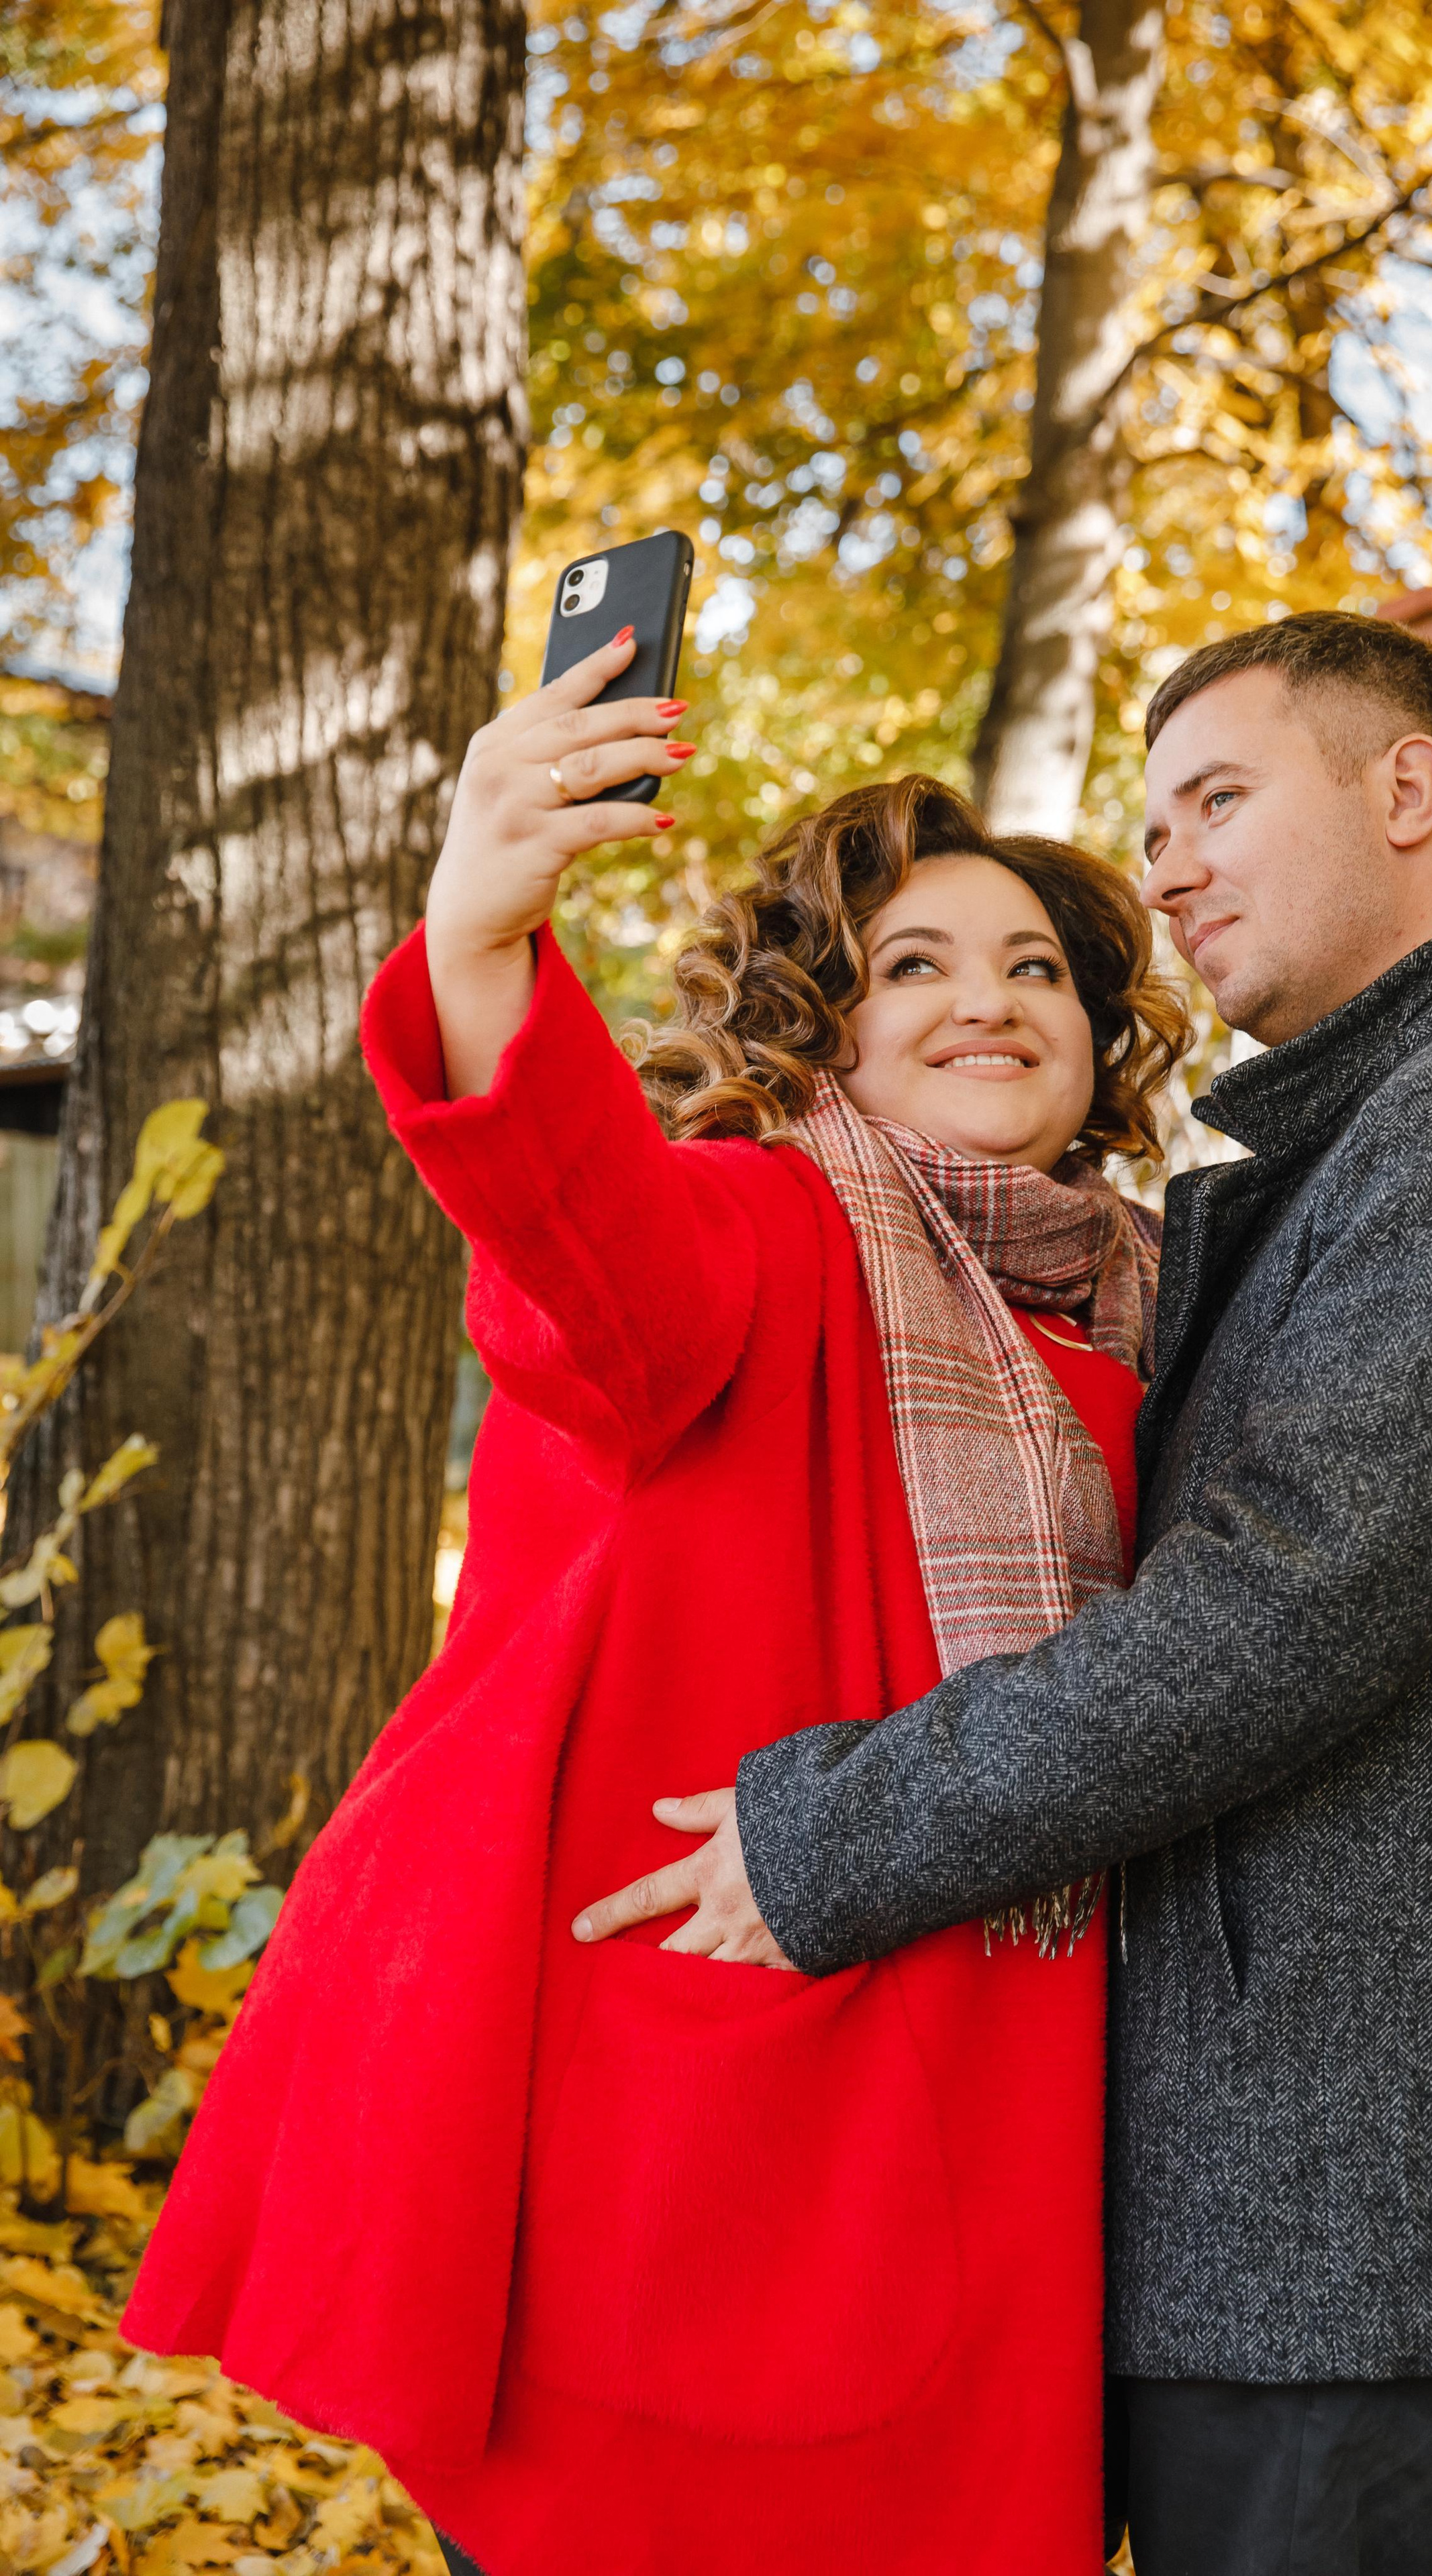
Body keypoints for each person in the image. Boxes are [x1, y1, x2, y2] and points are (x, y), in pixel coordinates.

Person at [575, 609, 1432, 2576]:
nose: (1167, 861)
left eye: (1218, 799)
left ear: (1409, 790)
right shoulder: (1397, 1114)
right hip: (1264, 2179)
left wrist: (833, 1832)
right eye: (1154, 816)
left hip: (1352, 2192)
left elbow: (1277, 1615)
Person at [121, 633, 1189, 2576]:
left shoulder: (1130, 1317)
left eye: (1039, 968)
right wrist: (480, 936)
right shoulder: (765, 1226)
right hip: (709, 2142)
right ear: (821, 1031)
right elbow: (578, 1235)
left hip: (990, 2141)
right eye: (918, 964)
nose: (993, 1000)